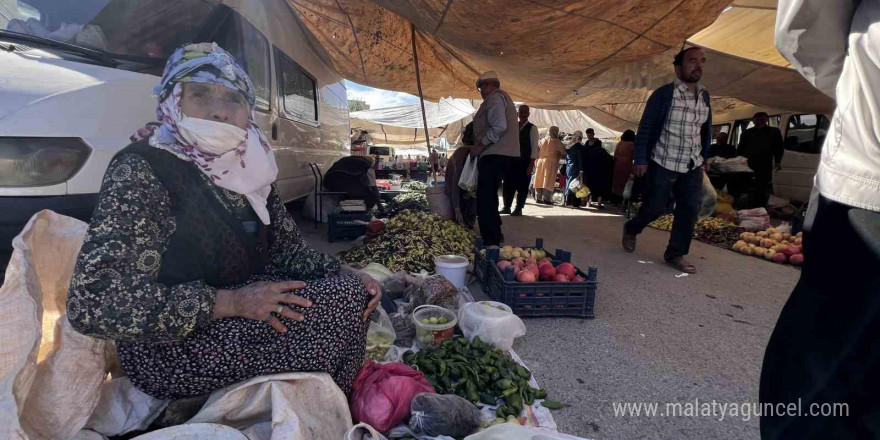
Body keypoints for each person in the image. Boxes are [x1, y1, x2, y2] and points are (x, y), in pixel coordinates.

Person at [66, 43, 381, 401]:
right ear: (174, 101)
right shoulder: (144, 168)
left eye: (233, 99)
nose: (219, 111)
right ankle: (309, 401)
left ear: (248, 111)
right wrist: (230, 303)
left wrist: (348, 273)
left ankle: (325, 403)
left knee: (352, 294)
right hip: (172, 348)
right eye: (200, 94)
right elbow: (92, 304)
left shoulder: (251, 168)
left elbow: (292, 253)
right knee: (335, 310)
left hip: (244, 303)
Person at [761, 2, 880, 439]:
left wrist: (858, 94)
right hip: (868, 188)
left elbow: (803, 27)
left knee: (821, 388)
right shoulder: (665, 98)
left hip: (868, 175)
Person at [621, 47, 712, 274]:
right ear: (678, 66)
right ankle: (632, 228)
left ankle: (675, 254)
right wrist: (640, 159)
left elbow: (704, 130)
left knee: (689, 209)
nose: (698, 65)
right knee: (655, 208)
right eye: (692, 61)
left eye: (701, 61)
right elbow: (646, 128)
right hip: (663, 161)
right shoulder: (663, 95)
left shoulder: (704, 96)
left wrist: (704, 157)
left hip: (692, 164)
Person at [471, 71, 519, 246]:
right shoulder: (502, 98)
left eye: (482, 87)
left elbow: (499, 126)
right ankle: (495, 234)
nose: (481, 91)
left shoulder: (494, 98)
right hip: (501, 155)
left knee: (485, 198)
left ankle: (490, 240)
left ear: (490, 85)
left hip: (494, 154)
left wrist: (481, 145)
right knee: (490, 196)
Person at [501, 104, 539, 216]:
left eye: (525, 112)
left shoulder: (532, 128)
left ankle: (519, 208)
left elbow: (534, 147)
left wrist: (531, 164)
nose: (522, 114)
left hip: (524, 162)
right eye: (521, 112)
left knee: (522, 186)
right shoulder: (513, 126)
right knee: (508, 185)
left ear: (528, 114)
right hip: (511, 161)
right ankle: (507, 207)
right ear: (518, 114)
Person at [737, 112, 784, 197]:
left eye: (762, 120)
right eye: (757, 120)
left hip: (766, 162)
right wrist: (739, 161)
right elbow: (740, 149)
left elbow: (779, 148)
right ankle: (747, 203)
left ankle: (760, 203)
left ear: (766, 120)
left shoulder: (774, 131)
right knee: (747, 185)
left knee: (763, 186)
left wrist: (778, 161)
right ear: (753, 121)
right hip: (749, 163)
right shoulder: (746, 133)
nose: (759, 122)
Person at [445, 122, 477, 227]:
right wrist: (457, 209)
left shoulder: (477, 152)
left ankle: (467, 220)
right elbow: (455, 184)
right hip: (458, 192)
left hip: (467, 193)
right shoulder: (460, 154)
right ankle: (463, 218)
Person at [580, 128, 614, 208]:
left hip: (597, 169)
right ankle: (589, 202)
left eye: (590, 134)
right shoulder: (587, 143)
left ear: (593, 134)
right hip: (590, 169)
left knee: (597, 186)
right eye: (588, 135)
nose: (589, 136)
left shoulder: (597, 143)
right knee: (590, 186)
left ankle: (598, 203)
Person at [533, 126, 566, 205]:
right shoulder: (557, 141)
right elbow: (564, 152)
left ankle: (538, 198)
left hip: (540, 161)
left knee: (539, 179)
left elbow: (537, 150)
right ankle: (547, 199)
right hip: (551, 163)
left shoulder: (542, 140)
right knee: (548, 180)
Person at [612, 129, 636, 197]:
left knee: (617, 182)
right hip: (627, 165)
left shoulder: (619, 143)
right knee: (625, 183)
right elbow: (634, 156)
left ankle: (615, 199)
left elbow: (615, 154)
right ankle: (623, 199)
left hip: (617, 165)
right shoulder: (632, 145)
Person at [564, 131, 585, 207]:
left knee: (568, 184)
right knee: (575, 186)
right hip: (576, 168)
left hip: (569, 168)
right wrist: (581, 170)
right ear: (580, 137)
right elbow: (580, 159)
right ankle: (574, 203)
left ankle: (567, 202)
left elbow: (566, 158)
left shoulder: (569, 145)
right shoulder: (579, 146)